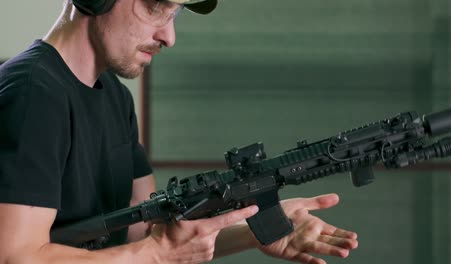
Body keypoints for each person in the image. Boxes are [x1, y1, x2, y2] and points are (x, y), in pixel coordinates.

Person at [0, 0, 358, 263]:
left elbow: (146, 234)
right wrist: (157, 254)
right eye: (156, 7)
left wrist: (257, 229)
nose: (168, 36)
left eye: (175, 15)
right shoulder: (33, 94)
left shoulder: (115, 98)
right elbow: (17, 255)